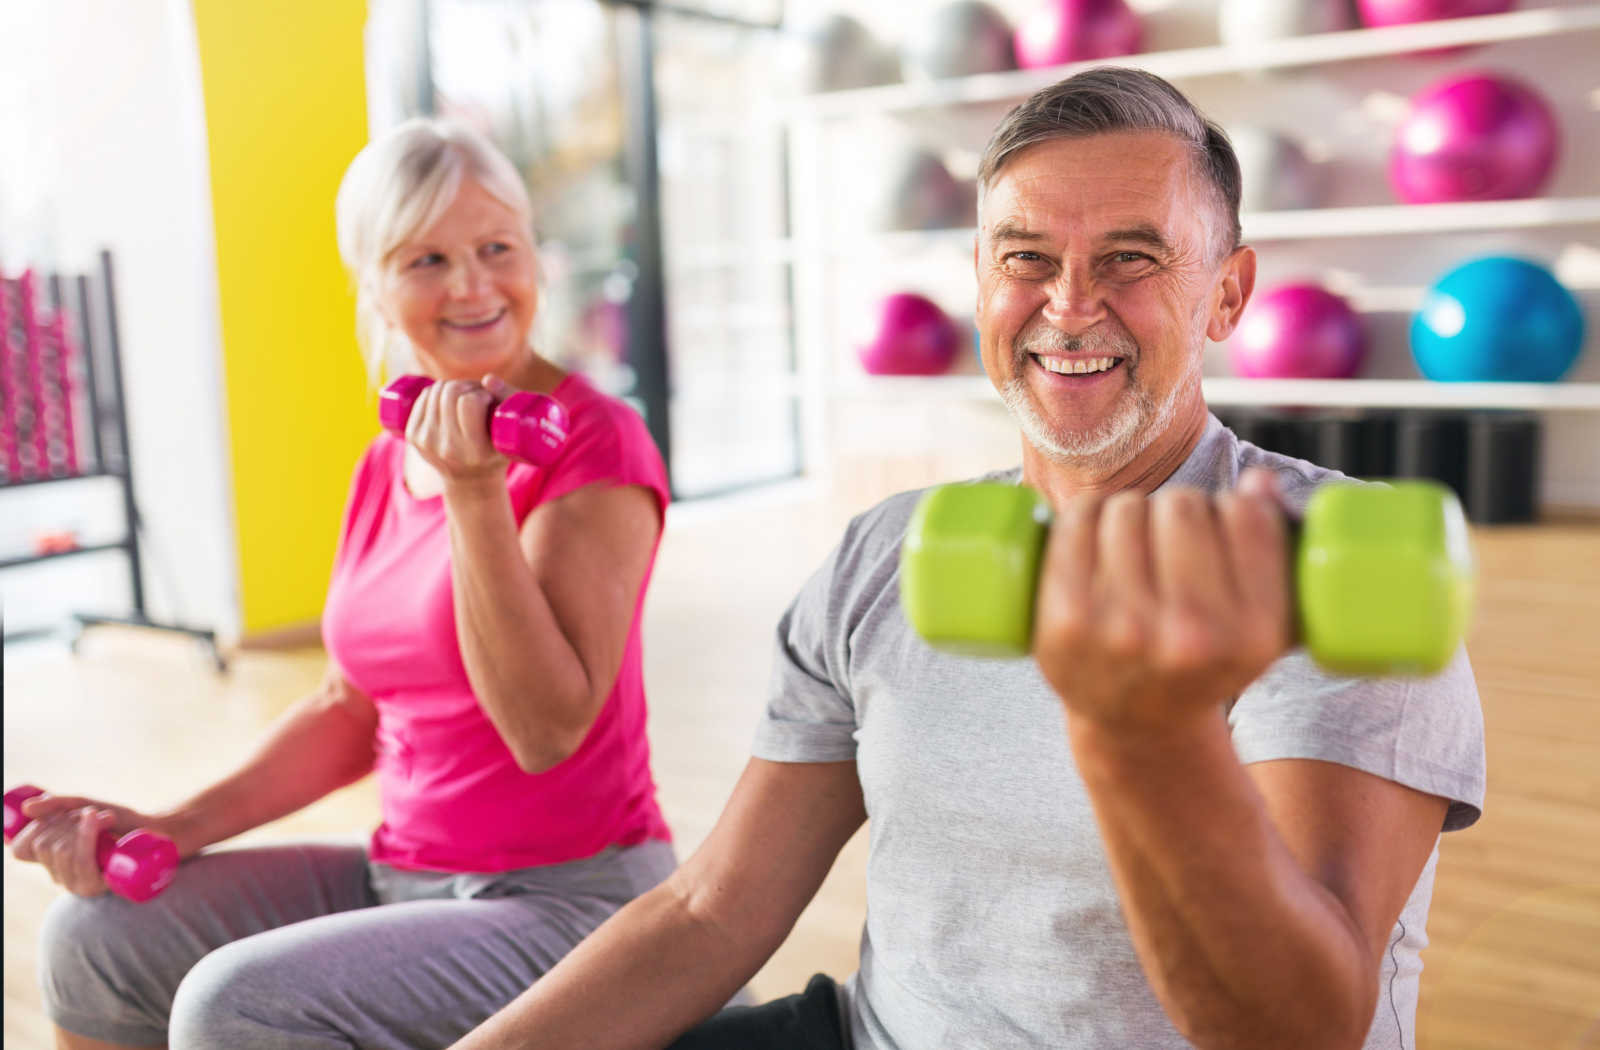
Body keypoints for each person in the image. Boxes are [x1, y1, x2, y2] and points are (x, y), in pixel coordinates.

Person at [447, 68, 1485, 1050]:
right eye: (1025, 257)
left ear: (1226, 293)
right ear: (981, 280)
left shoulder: (1316, 566)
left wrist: (1148, 734)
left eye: (1131, 257)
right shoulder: (884, 553)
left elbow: (1299, 1031)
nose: (1069, 304)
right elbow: (713, 909)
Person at [8, 117, 677, 1049]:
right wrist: (174, 824)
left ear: (537, 260)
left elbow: (546, 730)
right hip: (403, 872)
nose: (473, 285)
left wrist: (474, 495)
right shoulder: (382, 463)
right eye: (427, 259)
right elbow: (348, 705)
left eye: (497, 249)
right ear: (376, 284)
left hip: (570, 902)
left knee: (237, 1006)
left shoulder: (595, 441)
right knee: (95, 938)